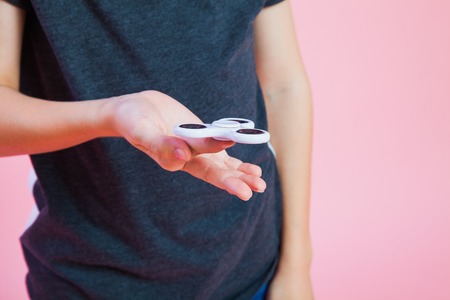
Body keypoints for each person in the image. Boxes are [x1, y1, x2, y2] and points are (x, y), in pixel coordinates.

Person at [0, 0, 314, 299]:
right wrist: (109, 114)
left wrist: (296, 267)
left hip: (252, 269)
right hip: (88, 279)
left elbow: (283, 87)